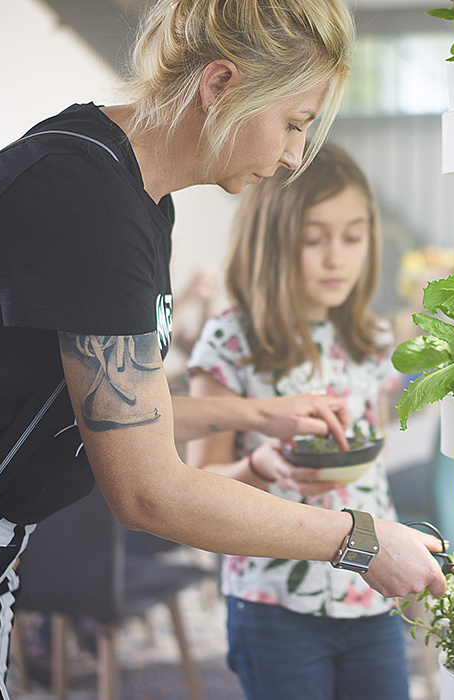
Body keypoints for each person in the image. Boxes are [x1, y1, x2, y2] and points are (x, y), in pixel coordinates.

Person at [0, 1, 445, 697]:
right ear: (221, 85)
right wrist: (359, 540)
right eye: (293, 123)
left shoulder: (140, 201)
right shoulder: (83, 193)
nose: (295, 155)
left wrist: (257, 415)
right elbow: (148, 491)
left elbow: (115, 401)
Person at [185, 142, 411, 700]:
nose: (337, 257)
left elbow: (368, 465)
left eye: (353, 237)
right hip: (272, 600)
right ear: (274, 241)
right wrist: (262, 466)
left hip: (371, 592)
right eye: (315, 239)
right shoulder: (232, 340)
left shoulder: (373, 342)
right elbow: (198, 488)